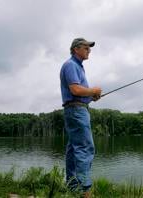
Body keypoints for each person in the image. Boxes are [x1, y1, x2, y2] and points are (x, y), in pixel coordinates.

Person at [60, 38, 102, 197]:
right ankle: (86, 192)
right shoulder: (71, 65)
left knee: (73, 150)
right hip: (77, 111)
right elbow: (75, 90)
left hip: (77, 108)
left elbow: (79, 93)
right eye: (86, 47)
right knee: (85, 148)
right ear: (76, 49)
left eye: (89, 48)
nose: (89, 50)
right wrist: (93, 90)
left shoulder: (77, 66)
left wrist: (91, 97)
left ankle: (72, 187)